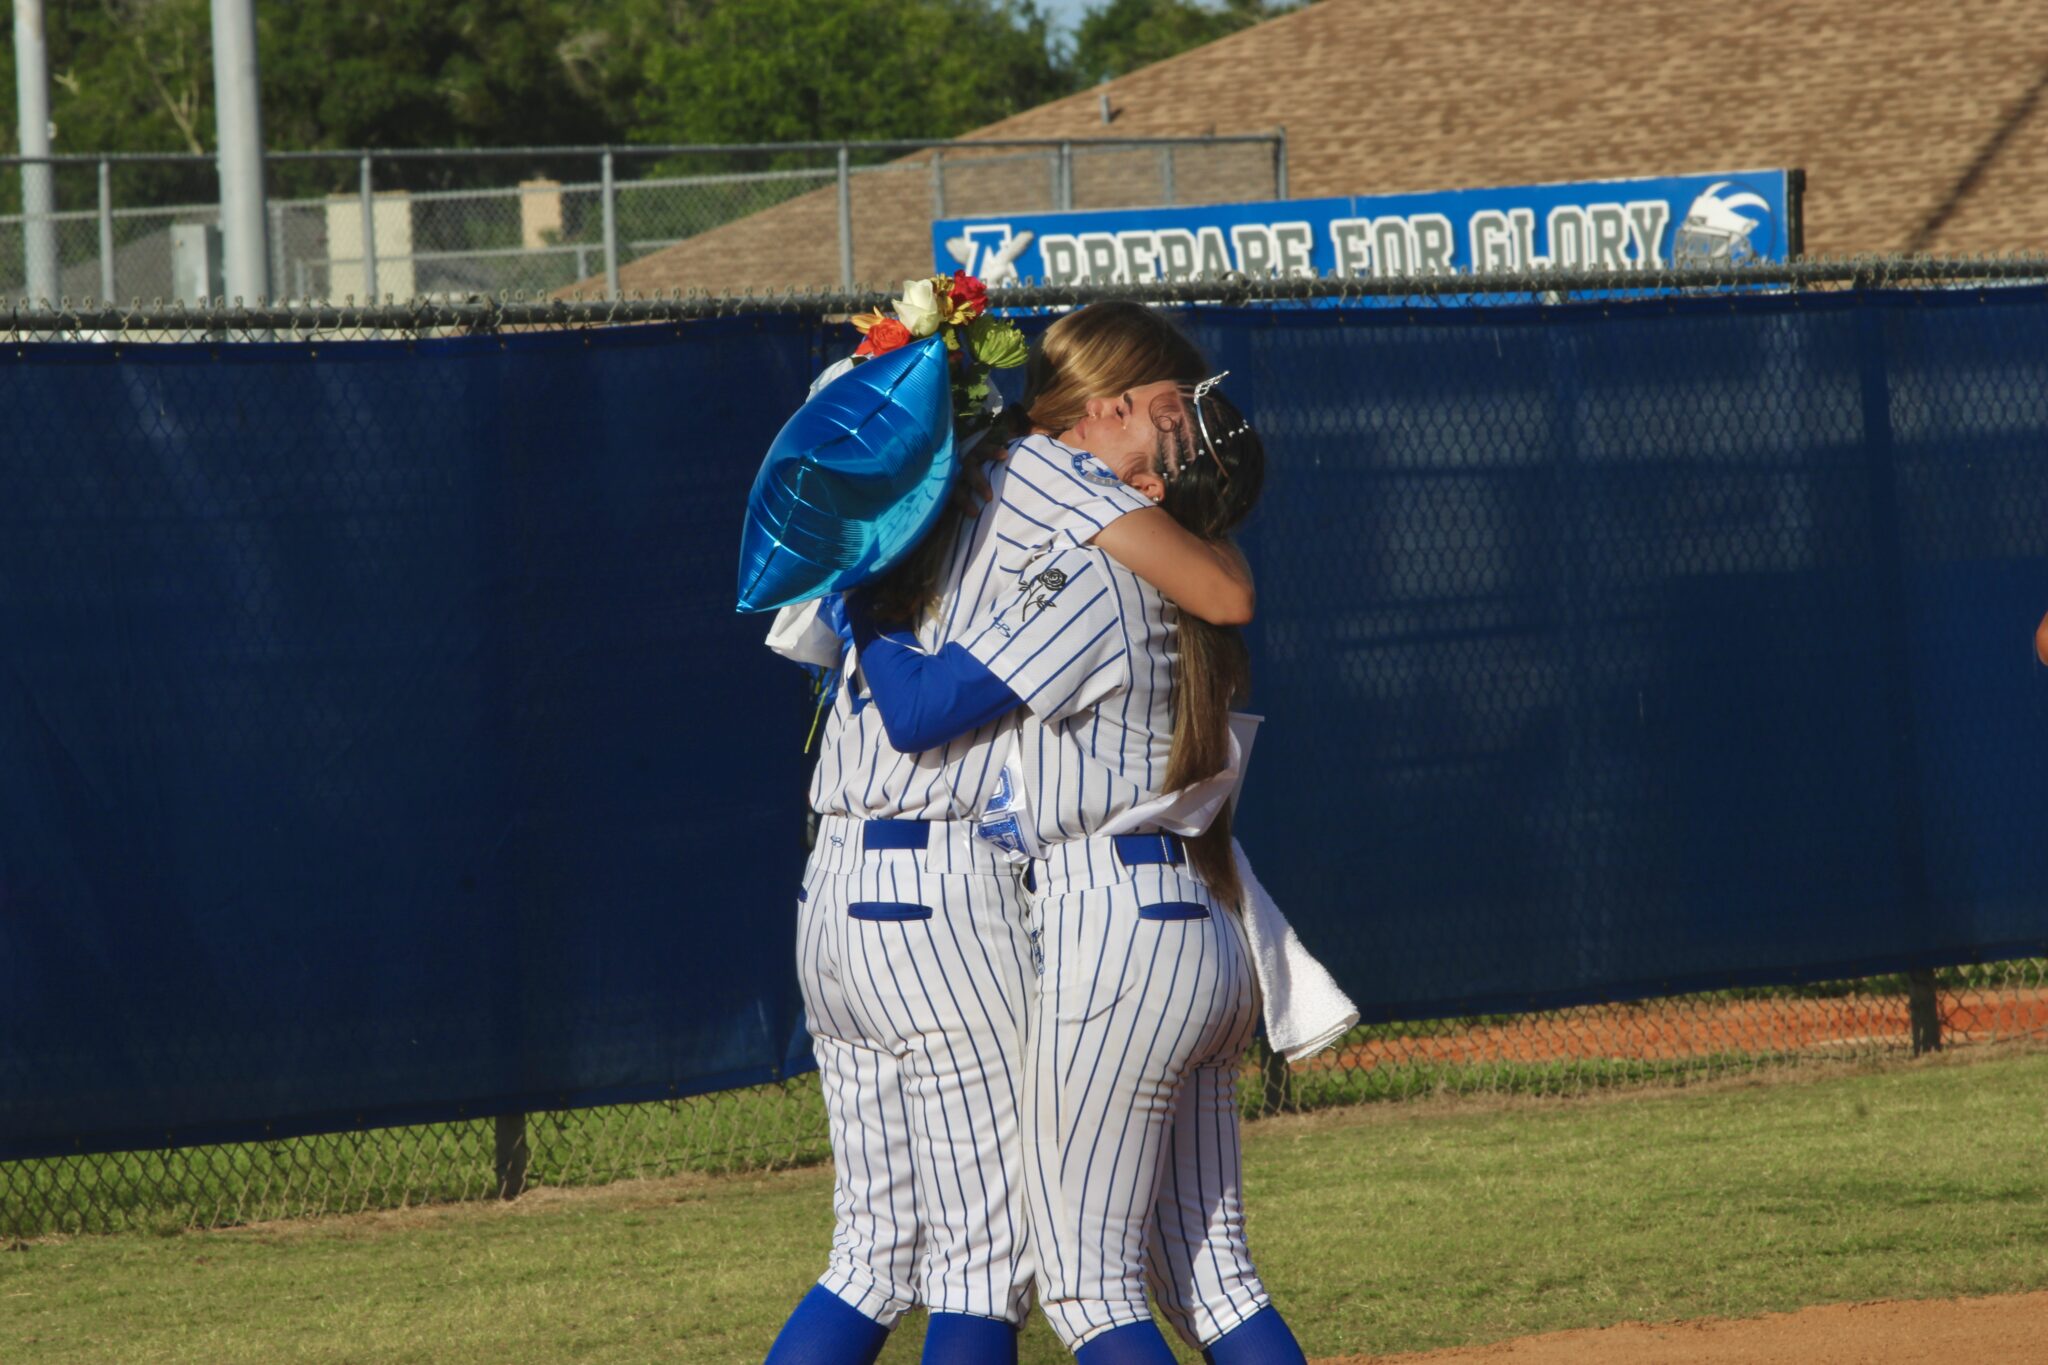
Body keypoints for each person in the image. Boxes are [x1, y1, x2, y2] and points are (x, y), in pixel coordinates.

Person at [762, 304, 1275, 1365]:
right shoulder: (1066, 499)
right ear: (1110, 406)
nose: (1182, 437)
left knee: (872, 1256)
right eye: (1169, 408)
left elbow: (827, 540)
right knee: (997, 1269)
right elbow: (1224, 587)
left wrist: (867, 557)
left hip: (840, 891)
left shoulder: (931, 492)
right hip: (963, 898)